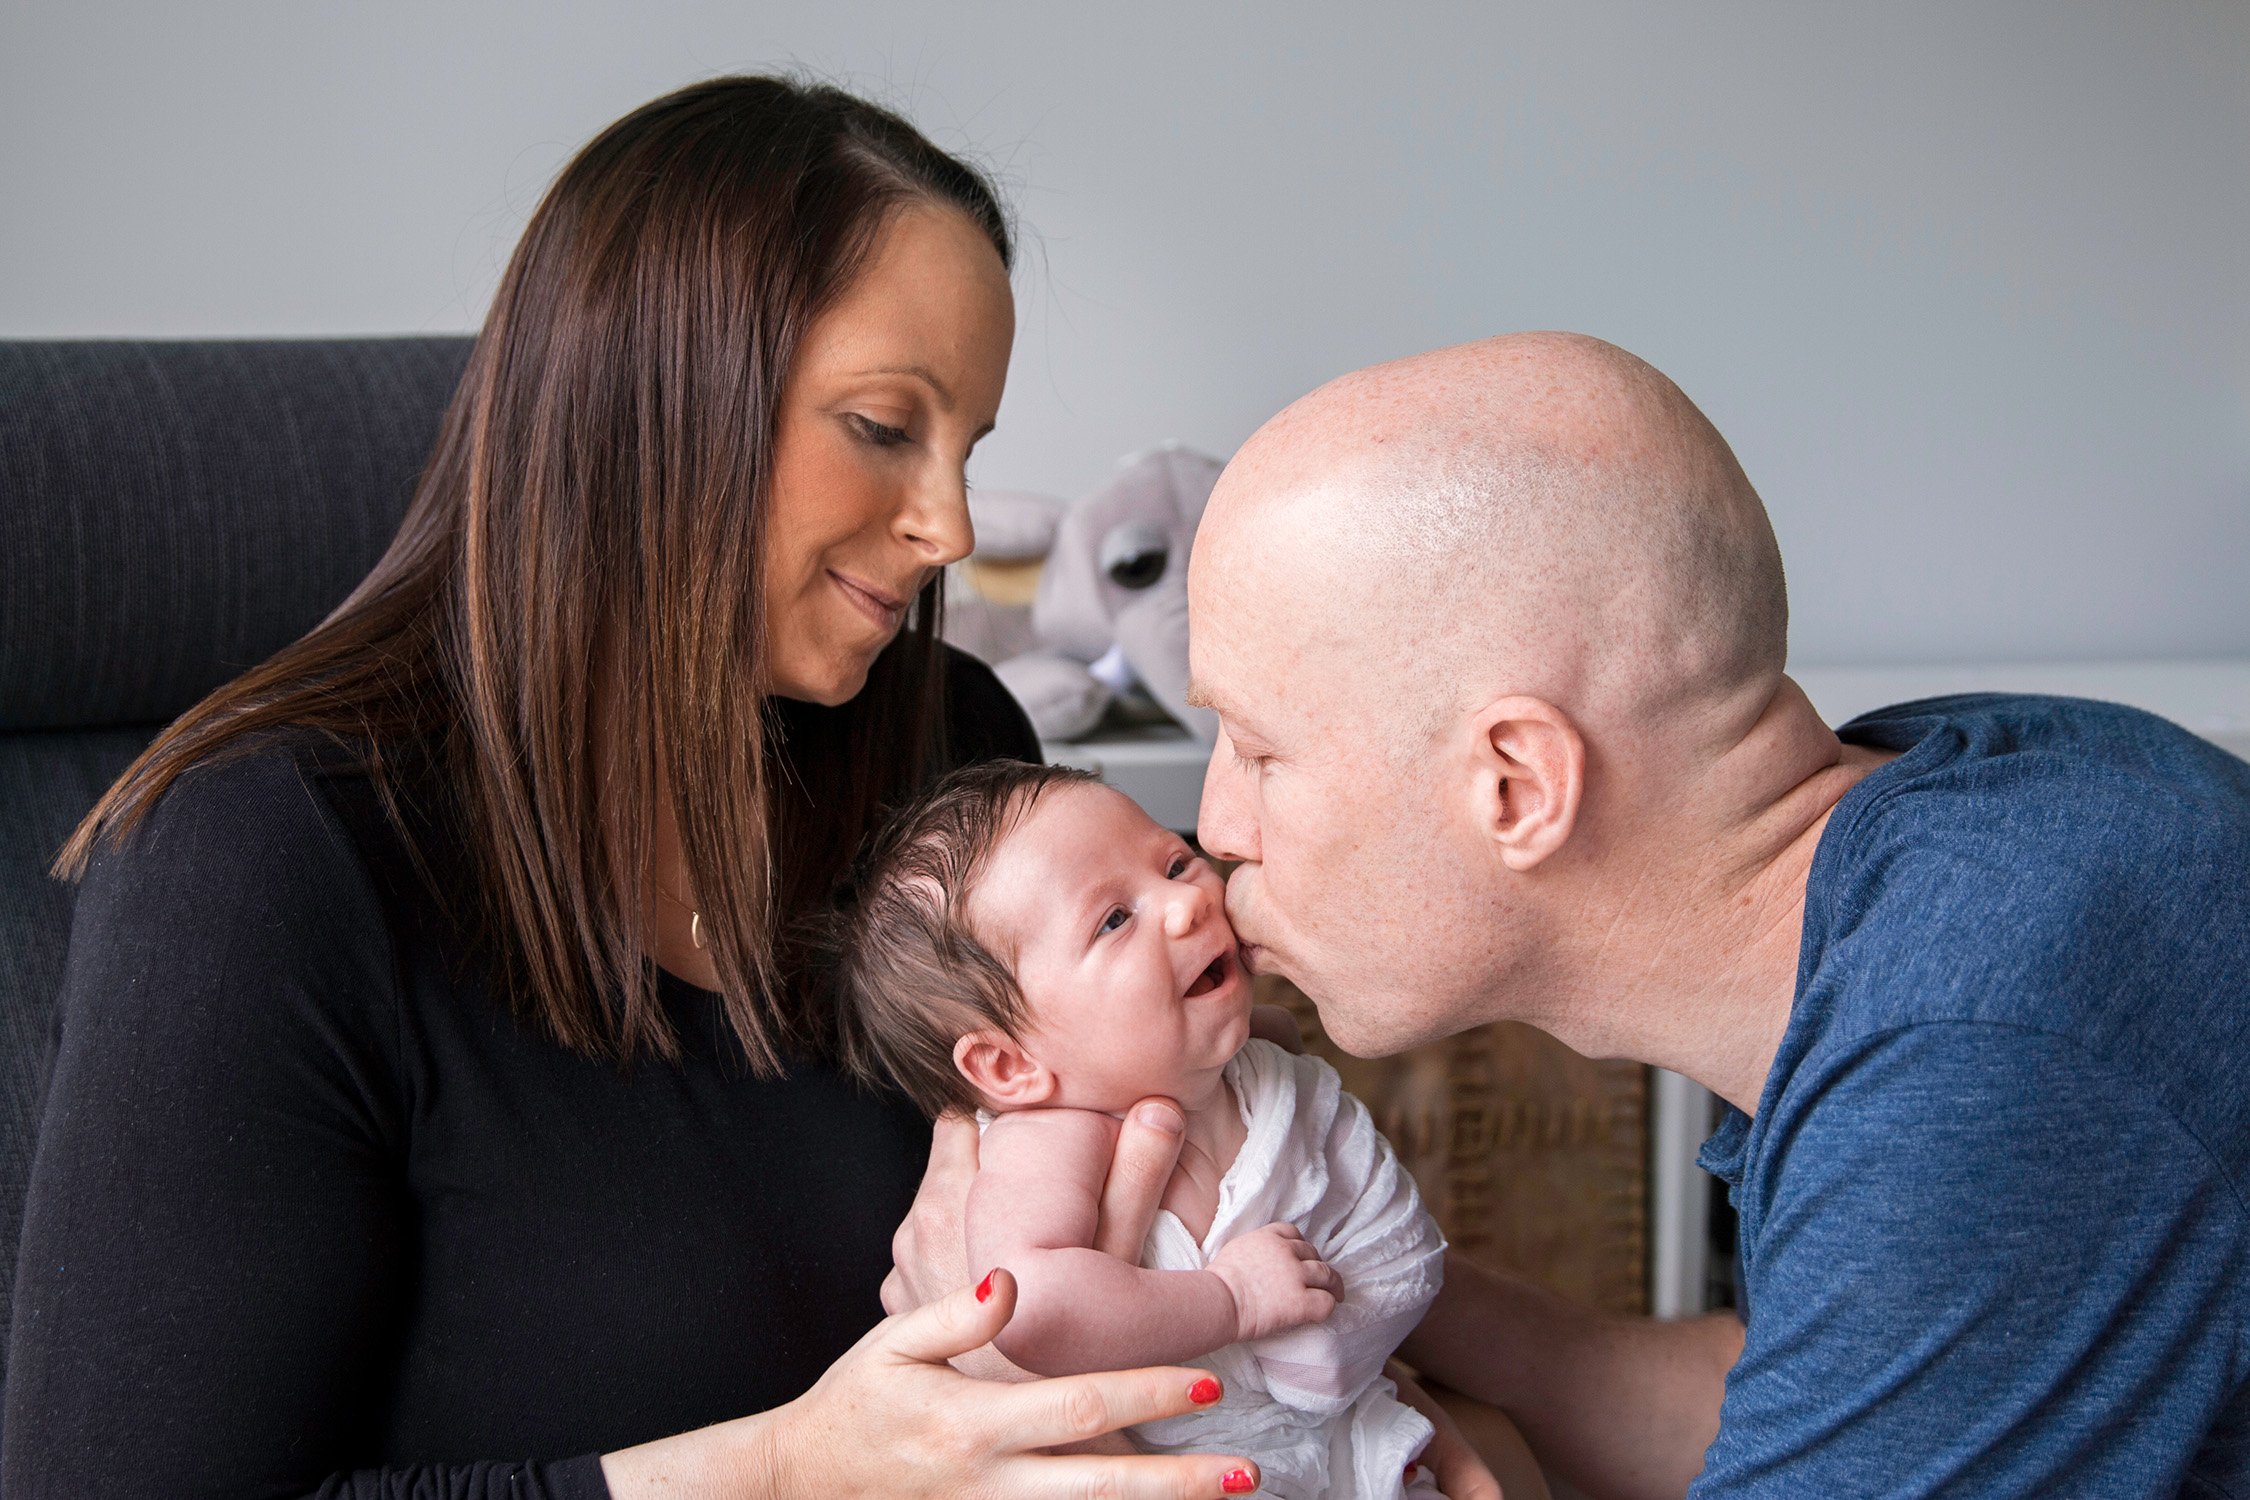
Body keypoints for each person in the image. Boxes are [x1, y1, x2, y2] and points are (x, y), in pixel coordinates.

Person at [3, 76, 1273, 1500]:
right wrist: (793, 1471)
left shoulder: (941, 758)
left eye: (965, 446)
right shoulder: (258, 860)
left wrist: (1366, 1405)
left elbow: (1152, 1199)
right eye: (881, 425)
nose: (951, 528)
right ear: (656, 398)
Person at [1175, 331, 2250, 1497]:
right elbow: (1836, 1397)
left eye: (1259, 748)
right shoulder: (1968, 805)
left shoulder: (1968, 1047)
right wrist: (1359, 1269)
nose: (1216, 825)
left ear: (1518, 788)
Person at [826, 759, 1451, 1499]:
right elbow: (1029, 1301)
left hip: (1346, 1433)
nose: (1186, 906)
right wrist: (1232, 1300)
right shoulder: (1054, 1139)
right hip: (1207, 1470)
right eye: (1115, 919)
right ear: (1007, 1064)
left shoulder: (1260, 1065)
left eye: (1177, 861)